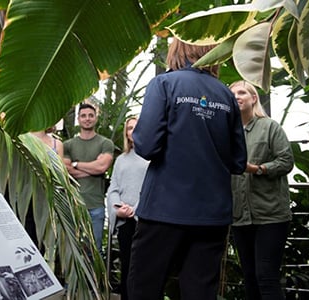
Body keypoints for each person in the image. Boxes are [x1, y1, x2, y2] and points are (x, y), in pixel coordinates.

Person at [127, 38, 247, 300]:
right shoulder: (226, 94)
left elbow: (146, 145)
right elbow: (238, 161)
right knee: (200, 292)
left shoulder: (164, 84)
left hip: (164, 209)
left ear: (178, 50)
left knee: (144, 288)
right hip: (212, 214)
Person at [229, 80, 294, 300]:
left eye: (242, 92)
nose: (236, 96)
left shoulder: (270, 127)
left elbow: (286, 161)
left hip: (270, 216)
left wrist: (258, 169)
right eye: (232, 94)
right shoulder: (228, 133)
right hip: (240, 218)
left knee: (266, 276)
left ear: (253, 98)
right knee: (249, 276)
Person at [106, 116, 149, 300]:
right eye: (129, 128)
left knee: (144, 266)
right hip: (124, 220)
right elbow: (113, 188)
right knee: (127, 265)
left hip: (145, 219)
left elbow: (152, 188)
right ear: (126, 133)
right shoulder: (121, 160)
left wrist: (136, 209)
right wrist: (118, 208)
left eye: (136, 126)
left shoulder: (152, 158)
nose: (133, 130)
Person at [63, 102, 115, 253]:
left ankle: (94, 278)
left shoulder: (105, 143)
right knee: (71, 251)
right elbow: (65, 171)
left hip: (96, 205)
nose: (87, 119)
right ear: (78, 119)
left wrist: (76, 163)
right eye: (83, 116)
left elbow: (102, 167)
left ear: (96, 118)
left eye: (91, 115)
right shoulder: (68, 145)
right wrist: (93, 168)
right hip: (73, 204)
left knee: (94, 251)